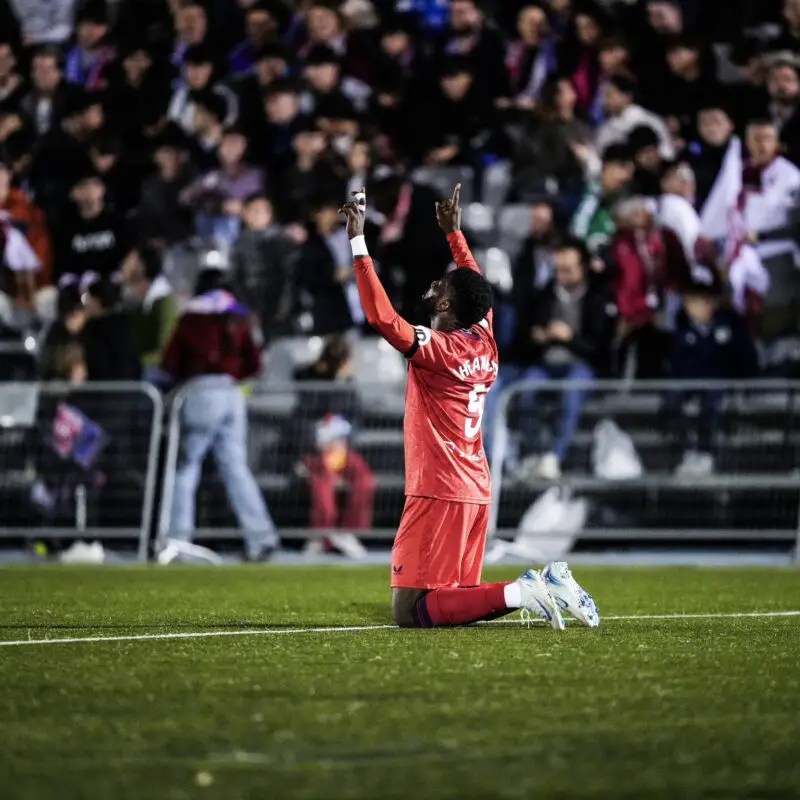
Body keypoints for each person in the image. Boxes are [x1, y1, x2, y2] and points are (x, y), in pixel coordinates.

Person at [339, 183, 599, 629]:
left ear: (445, 303)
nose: (433, 284)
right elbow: (476, 283)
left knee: (411, 610)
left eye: (439, 284)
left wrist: (357, 243)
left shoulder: (438, 350)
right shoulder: (484, 337)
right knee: (451, 602)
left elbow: (382, 317)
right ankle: (538, 587)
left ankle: (528, 590)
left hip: (438, 488)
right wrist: (454, 235)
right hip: (474, 487)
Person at [159, 268, 279, 563]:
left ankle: (178, 541)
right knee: (236, 468)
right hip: (231, 393)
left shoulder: (192, 316)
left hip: (200, 392)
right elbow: (255, 364)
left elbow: (170, 363)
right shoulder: (238, 315)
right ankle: (261, 538)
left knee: (185, 469)